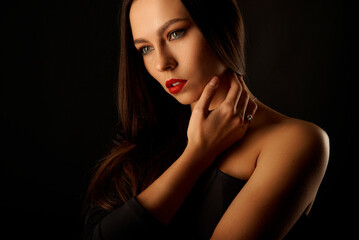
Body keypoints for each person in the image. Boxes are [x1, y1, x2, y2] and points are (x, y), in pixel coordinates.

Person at [81, 0, 329, 239]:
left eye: (175, 34)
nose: (161, 63)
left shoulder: (296, 142)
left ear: (220, 27)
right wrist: (198, 154)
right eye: (146, 48)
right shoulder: (142, 138)